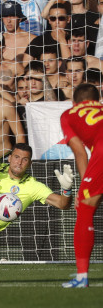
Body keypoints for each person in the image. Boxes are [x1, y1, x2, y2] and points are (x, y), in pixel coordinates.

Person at [60, 83, 103, 288]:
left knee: (84, 209)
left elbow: (79, 151)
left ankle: (82, 277)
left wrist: (84, 186)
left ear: (74, 102)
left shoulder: (68, 114)